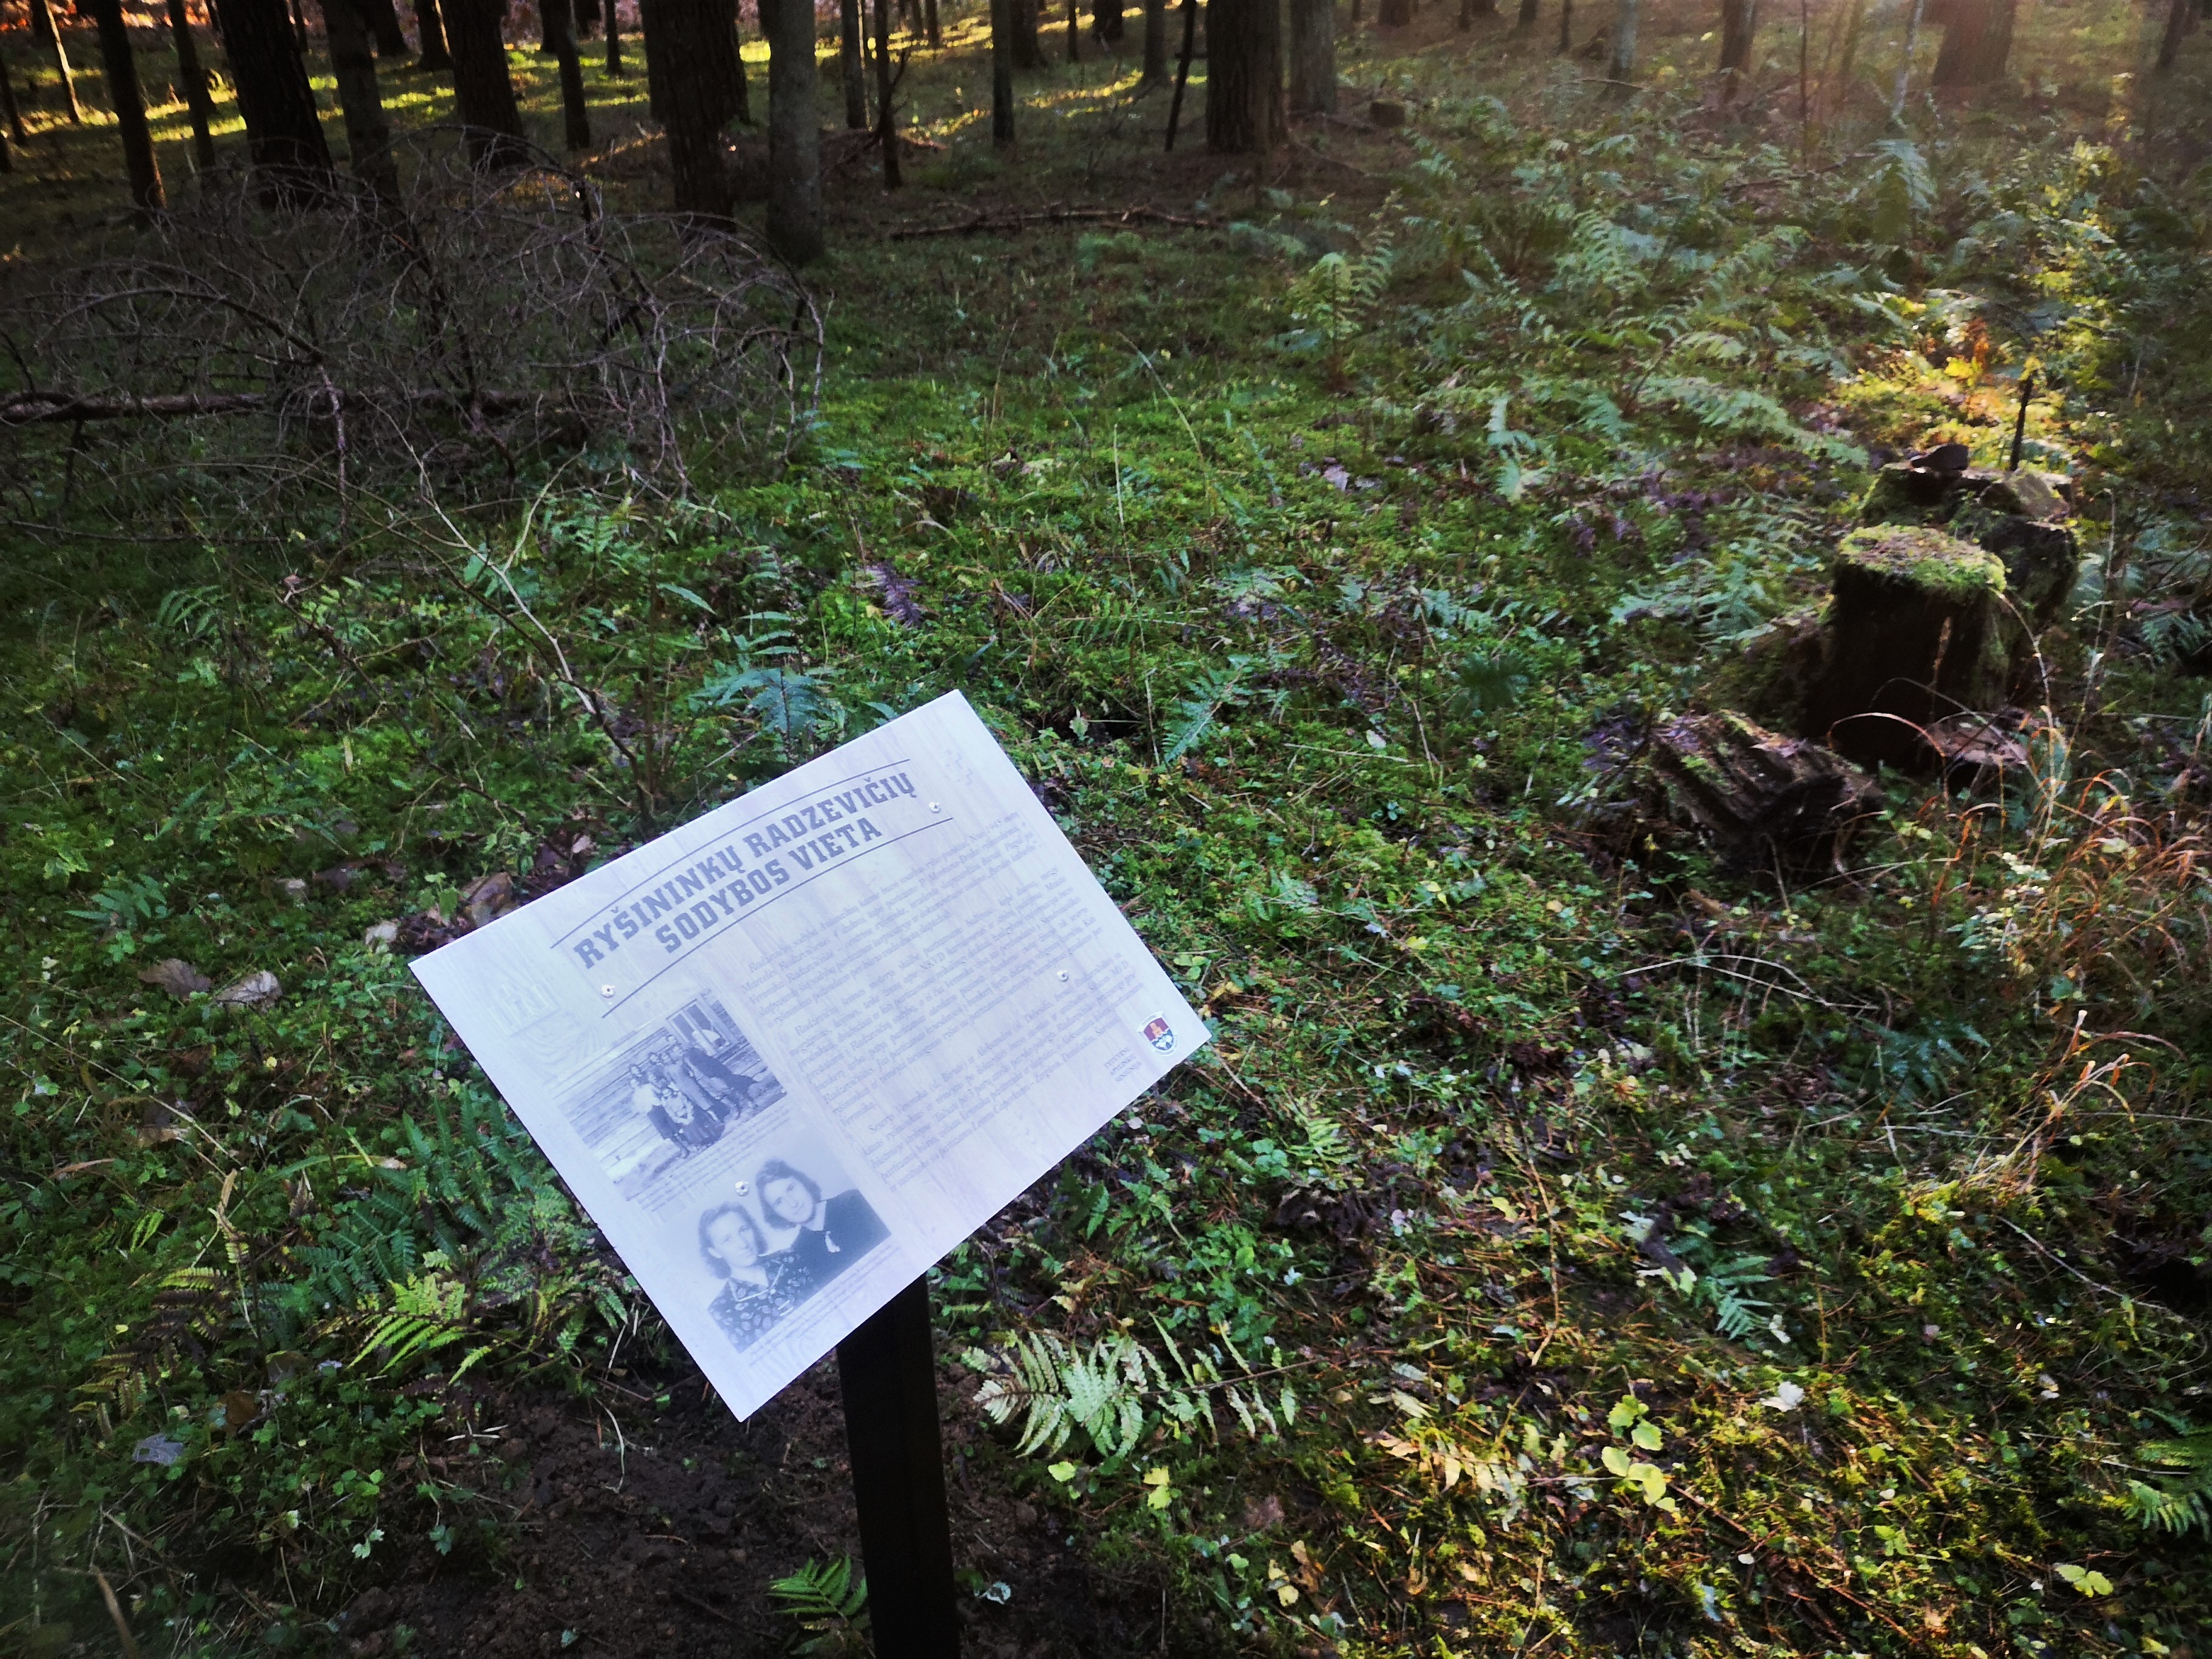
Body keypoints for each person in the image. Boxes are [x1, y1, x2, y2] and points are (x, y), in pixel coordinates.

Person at [756, 1158, 886, 1295]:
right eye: (779, 1202)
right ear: (776, 1214)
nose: (792, 1203)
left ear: (803, 1183)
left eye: (791, 1189)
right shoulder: (800, 1251)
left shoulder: (854, 1202)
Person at [697, 1200, 799, 1350]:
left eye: (743, 1230)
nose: (743, 1244)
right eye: (727, 1240)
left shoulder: (791, 1258)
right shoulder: (721, 1313)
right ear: (715, 1252)